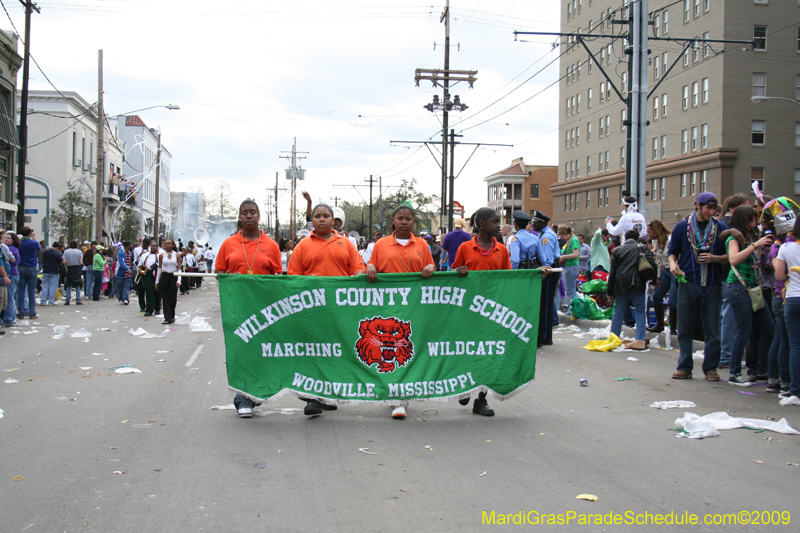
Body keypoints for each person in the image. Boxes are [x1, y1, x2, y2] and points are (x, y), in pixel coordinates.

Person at [365, 204, 433, 419]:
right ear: (393, 221)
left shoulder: (422, 244)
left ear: (414, 222)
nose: (404, 222)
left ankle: (403, 394)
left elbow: (431, 267)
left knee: (409, 350)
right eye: (400, 218)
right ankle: (396, 398)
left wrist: (431, 268)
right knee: (391, 351)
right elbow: (372, 266)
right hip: (387, 309)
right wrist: (370, 267)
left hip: (414, 308)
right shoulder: (381, 244)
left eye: (408, 219)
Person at [216, 199, 283, 418]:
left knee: (260, 351)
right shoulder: (229, 244)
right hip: (237, 309)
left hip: (264, 309)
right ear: (239, 216)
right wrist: (231, 279)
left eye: (252, 212)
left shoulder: (271, 245)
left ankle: (256, 392)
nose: (248, 216)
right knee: (241, 352)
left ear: (259, 215)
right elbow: (220, 273)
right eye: (244, 212)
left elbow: (277, 277)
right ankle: (243, 398)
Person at [451, 207, 512, 416]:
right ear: (481, 225)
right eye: (494, 222)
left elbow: (509, 279)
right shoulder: (465, 247)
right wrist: (458, 270)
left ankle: (481, 399)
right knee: (467, 350)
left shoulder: (502, 250)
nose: (498, 225)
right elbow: (453, 273)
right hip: (468, 309)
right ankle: (464, 387)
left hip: (492, 311)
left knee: (488, 354)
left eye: (499, 221)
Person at [668, 192, 728, 381]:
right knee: (685, 328)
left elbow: (730, 256)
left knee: (712, 329)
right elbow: (672, 251)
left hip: (712, 284)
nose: (711, 212)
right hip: (688, 282)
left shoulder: (720, 228)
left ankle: (711, 368)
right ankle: (684, 367)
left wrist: (714, 258)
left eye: (714, 208)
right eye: (708, 208)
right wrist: (673, 264)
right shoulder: (682, 227)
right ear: (698, 206)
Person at [724, 205, 775, 386]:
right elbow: (733, 259)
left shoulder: (752, 236)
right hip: (738, 286)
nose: (756, 220)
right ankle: (735, 373)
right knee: (743, 331)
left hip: (753, 287)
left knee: (769, 329)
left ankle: (762, 369)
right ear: (743, 219)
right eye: (752, 217)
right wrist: (755, 246)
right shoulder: (734, 238)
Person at [608, 230, 656, 347]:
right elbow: (652, 264)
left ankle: (614, 338)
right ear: (637, 238)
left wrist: (610, 292)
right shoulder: (642, 248)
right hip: (637, 282)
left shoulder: (617, 250)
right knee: (640, 310)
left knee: (618, 310)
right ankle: (640, 339)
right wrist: (654, 280)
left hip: (620, 282)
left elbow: (612, 271)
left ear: (625, 238)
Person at [773, 215, 800, 406]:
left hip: (792, 299)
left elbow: (779, 275)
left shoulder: (785, 247)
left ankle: (794, 390)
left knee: (795, 346)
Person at [532, 211, 560, 346]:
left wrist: (543, 270)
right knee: (544, 303)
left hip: (549, 271)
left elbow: (547, 260)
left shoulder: (546, 237)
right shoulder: (543, 234)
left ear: (542, 223)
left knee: (546, 304)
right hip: (549, 270)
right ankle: (545, 334)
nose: (533, 225)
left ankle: (545, 336)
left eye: (535, 223)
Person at [646, 220, 676, 334]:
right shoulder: (655, 242)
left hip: (674, 271)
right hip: (664, 270)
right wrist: (658, 277)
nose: (648, 234)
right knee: (657, 296)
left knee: (673, 300)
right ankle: (659, 325)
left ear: (656, 231)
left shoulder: (670, 240)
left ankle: (673, 328)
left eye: (650, 232)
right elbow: (658, 261)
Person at [156, 239, 182, 325]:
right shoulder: (161, 255)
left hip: (173, 276)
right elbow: (159, 269)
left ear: (173, 245)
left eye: (169, 243)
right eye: (166, 244)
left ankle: (172, 315)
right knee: (165, 297)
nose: (167, 245)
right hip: (164, 276)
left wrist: (179, 280)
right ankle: (167, 318)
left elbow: (179, 269)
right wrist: (157, 282)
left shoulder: (177, 255)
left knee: (173, 298)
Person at [558, 225, 580, 315]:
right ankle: (572, 309)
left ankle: (573, 310)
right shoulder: (570, 240)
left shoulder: (574, 240)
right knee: (570, 290)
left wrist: (563, 257)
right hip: (569, 267)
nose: (562, 238)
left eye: (562, 236)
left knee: (571, 290)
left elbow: (575, 254)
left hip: (571, 267)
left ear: (566, 233)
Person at [138, 241, 162, 317]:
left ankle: (157, 307)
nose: (153, 247)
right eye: (152, 246)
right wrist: (141, 270)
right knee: (149, 292)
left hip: (156, 274)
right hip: (147, 275)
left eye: (155, 246)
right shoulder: (145, 255)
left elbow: (163, 264)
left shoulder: (160, 255)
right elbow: (140, 264)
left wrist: (156, 265)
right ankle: (149, 309)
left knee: (157, 292)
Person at [1, 231, 20, 326]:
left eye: (9, 238)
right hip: (13, 273)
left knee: (9, 297)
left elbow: (13, 260)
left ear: (13, 240)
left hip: (11, 274)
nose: (6, 239)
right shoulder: (11, 248)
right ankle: (11, 317)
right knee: (11, 297)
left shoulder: (9, 248)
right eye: (6, 237)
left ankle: (8, 318)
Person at [62, 240, 84, 305]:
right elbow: (81, 262)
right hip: (77, 269)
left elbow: (64, 261)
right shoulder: (79, 252)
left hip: (69, 269)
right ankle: (78, 300)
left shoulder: (66, 251)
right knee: (78, 284)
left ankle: (67, 300)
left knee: (68, 284)